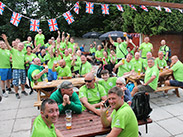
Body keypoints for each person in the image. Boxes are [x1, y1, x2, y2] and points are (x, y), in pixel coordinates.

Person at [2, 34, 28, 99]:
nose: (20, 47)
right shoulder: (14, 51)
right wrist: (5, 40)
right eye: (19, 45)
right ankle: (16, 93)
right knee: (16, 82)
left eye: (22, 46)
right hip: (16, 69)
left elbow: (25, 60)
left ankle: (23, 90)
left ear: (23, 47)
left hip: (22, 69)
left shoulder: (23, 53)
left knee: (23, 81)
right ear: (17, 46)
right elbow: (8, 46)